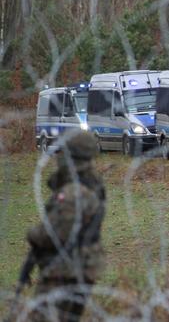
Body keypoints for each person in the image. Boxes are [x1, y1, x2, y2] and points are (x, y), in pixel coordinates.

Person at [26, 131, 106, 322]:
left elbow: (57, 233)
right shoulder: (91, 184)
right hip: (81, 266)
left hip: (65, 270)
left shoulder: (73, 192)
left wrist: (33, 234)